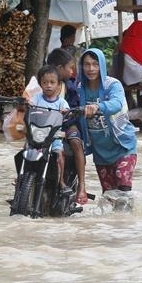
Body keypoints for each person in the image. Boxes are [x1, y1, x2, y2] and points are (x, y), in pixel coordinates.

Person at [78, 48, 138, 202]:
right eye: (86, 64)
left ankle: (128, 223)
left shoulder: (113, 85)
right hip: (100, 152)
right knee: (109, 196)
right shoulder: (79, 88)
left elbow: (117, 103)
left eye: (95, 64)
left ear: (102, 66)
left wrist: (99, 107)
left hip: (123, 146)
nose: (91, 69)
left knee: (123, 188)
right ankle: (114, 226)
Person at [45, 48, 88, 204]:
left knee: (76, 143)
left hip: (67, 124)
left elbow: (77, 104)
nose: (72, 71)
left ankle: (82, 185)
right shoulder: (41, 83)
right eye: (70, 67)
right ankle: (22, 178)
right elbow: (31, 97)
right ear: (58, 68)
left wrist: (72, 111)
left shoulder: (71, 85)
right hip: (45, 125)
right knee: (29, 141)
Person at [28, 65, 72, 193]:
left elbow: (68, 113)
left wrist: (66, 112)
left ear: (59, 85)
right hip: (37, 133)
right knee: (26, 150)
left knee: (59, 153)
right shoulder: (36, 98)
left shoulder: (61, 102)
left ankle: (61, 181)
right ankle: (22, 177)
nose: (48, 85)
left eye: (52, 82)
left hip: (54, 135)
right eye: (45, 82)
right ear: (40, 84)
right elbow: (29, 104)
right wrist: (28, 104)